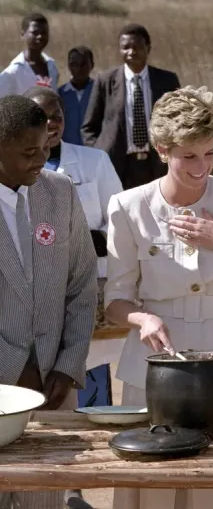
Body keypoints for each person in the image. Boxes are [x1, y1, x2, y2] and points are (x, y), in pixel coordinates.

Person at [104, 86, 213, 509]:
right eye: (189, 156)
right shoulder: (128, 207)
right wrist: (142, 319)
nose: (203, 167)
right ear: (163, 150)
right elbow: (115, 301)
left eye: (210, 154)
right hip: (153, 369)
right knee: (152, 489)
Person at [0, 95, 97, 509]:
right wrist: (15, 370)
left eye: (46, 148)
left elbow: (83, 284)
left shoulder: (59, 192)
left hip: (56, 387)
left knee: (46, 496)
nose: (42, 159)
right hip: (4, 386)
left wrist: (67, 364)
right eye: (29, 152)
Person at [24, 85, 124, 410]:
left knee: (91, 359)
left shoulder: (94, 161)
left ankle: (98, 423)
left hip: (87, 282)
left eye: (57, 116)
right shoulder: (13, 169)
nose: (51, 124)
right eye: (43, 117)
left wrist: (100, 238)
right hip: (35, 289)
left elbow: (120, 219)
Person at [81, 23, 181, 189]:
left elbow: (179, 121)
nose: (131, 52)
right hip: (117, 165)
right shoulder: (105, 80)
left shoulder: (167, 80)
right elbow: (89, 127)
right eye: (125, 47)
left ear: (148, 48)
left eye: (137, 47)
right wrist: (99, 154)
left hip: (157, 164)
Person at [0, 13, 59, 96]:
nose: (40, 36)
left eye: (44, 32)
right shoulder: (13, 72)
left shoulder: (51, 66)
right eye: (35, 33)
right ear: (23, 34)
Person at [59, 46, 95, 146]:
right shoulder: (61, 94)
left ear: (92, 65)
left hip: (94, 150)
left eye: (83, 64)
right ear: (69, 66)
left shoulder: (99, 91)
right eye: (74, 64)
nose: (79, 69)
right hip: (68, 150)